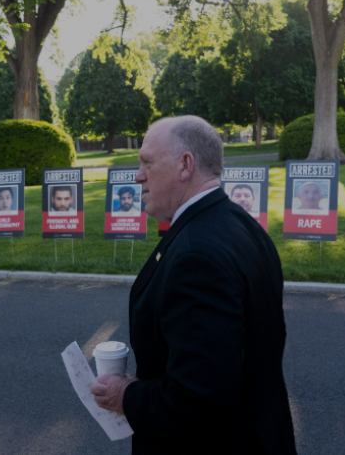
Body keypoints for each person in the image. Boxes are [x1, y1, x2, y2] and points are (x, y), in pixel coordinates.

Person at [90, 116, 297, 455]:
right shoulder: (241, 224)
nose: (137, 175)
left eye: (146, 163)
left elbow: (197, 399)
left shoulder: (195, 257)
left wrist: (124, 395)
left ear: (185, 165)